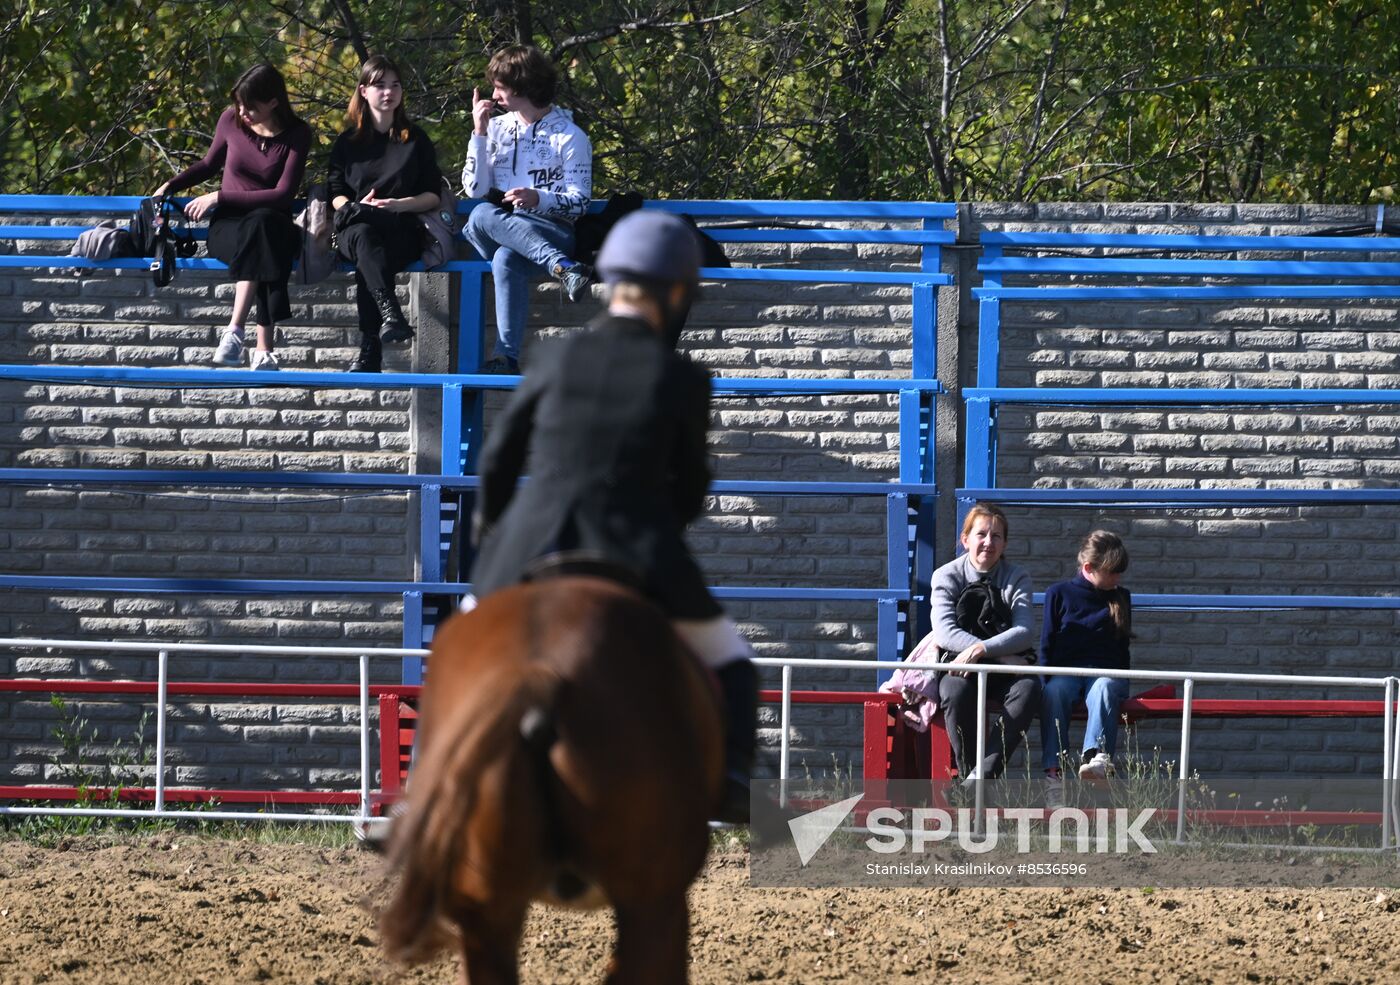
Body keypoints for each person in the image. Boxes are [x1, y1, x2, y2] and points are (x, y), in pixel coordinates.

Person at [467, 210, 756, 823]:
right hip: (635, 545)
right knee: (733, 663)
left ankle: (425, 797)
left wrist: (493, 533)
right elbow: (694, 485)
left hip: (526, 545)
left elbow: (498, 460)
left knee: (457, 651)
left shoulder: (551, 358)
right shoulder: (682, 377)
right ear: (676, 292)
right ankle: (729, 782)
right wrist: (663, 529)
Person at [154, 64, 311, 371]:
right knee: (262, 242)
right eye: (239, 104)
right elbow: (209, 164)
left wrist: (218, 196)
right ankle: (263, 349)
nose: (243, 111)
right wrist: (171, 185)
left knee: (263, 226)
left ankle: (234, 330)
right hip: (229, 228)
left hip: (274, 224)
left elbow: (282, 195)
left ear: (274, 102)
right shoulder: (230, 120)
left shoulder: (298, 134)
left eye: (250, 106)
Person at [461, 43, 594, 374]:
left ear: (524, 88)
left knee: (506, 257)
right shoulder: (496, 128)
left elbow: (580, 203)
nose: (495, 94)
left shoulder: (570, 136)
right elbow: (474, 189)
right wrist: (478, 133)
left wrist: (539, 198)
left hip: (551, 229)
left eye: (501, 88)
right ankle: (563, 267)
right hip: (504, 226)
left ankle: (506, 357)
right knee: (479, 215)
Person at [329, 55, 442, 373]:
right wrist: (352, 207)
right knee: (364, 237)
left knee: (371, 254)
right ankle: (390, 314)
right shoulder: (347, 143)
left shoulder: (415, 139)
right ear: (364, 91)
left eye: (395, 85)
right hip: (355, 226)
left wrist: (399, 204)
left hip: (400, 228)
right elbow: (335, 192)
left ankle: (370, 348)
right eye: (380, 85)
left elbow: (432, 194)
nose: (389, 92)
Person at [925, 503, 1039, 782]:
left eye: (996, 536)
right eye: (981, 534)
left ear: (1005, 543)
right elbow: (945, 632)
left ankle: (979, 778)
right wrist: (997, 656)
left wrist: (980, 649)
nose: (989, 542)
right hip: (962, 668)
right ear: (965, 540)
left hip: (1002, 672)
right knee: (953, 690)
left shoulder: (1017, 577)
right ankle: (970, 778)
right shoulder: (945, 576)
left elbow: (1024, 630)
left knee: (1029, 688)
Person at [1039, 530, 1133, 808]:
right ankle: (1054, 774)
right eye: (1113, 572)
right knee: (1054, 691)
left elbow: (1122, 649)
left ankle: (1098, 758)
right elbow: (1047, 641)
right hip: (1067, 672)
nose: (1118, 578)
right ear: (1089, 568)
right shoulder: (1058, 593)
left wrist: (1122, 683)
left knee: (1103, 686)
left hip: (1104, 674)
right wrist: (1046, 680)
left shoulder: (1121, 597)